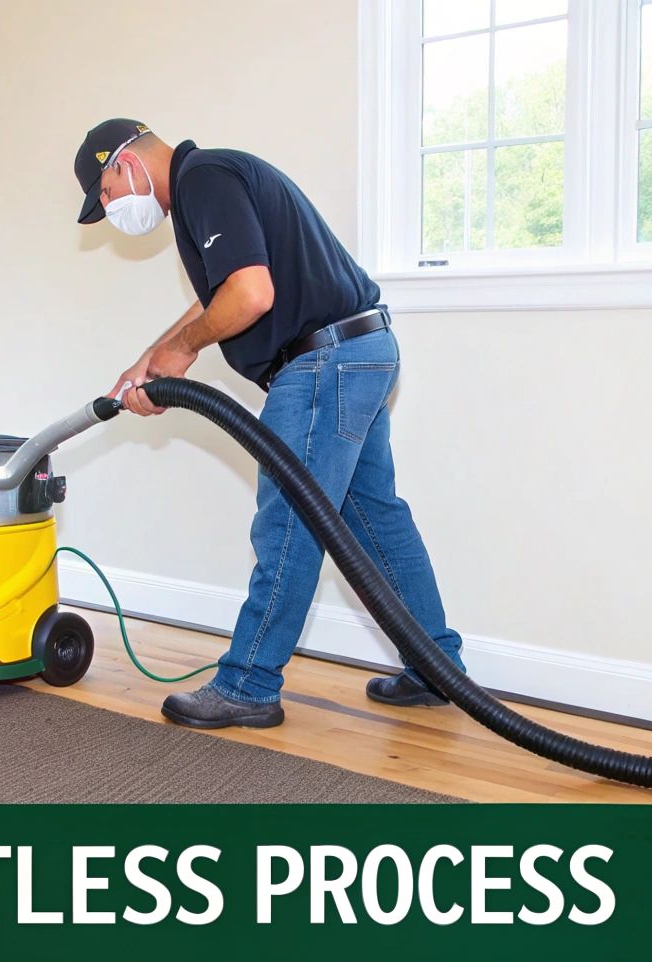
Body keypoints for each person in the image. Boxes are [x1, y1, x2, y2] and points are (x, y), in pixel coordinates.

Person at [73, 118, 465, 729]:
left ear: (123, 164)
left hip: (322, 363)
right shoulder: (216, 176)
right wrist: (154, 357)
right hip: (362, 349)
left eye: (103, 194)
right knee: (374, 518)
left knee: (289, 522)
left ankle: (249, 684)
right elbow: (222, 294)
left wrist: (185, 351)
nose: (110, 207)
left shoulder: (201, 180)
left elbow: (250, 295)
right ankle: (436, 666)